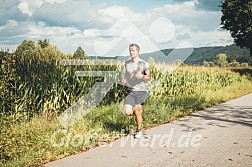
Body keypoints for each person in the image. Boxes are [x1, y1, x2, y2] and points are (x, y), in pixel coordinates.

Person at [121, 43, 151, 139]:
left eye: (133, 50)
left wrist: (142, 76)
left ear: (138, 51)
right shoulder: (127, 63)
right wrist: (125, 79)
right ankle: (138, 114)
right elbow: (126, 75)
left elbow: (149, 77)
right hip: (130, 91)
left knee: (136, 111)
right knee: (127, 112)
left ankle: (139, 131)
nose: (131, 52)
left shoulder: (143, 63)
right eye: (130, 50)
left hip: (141, 91)